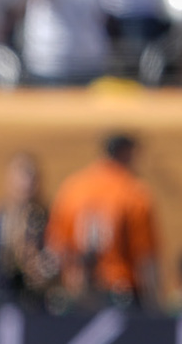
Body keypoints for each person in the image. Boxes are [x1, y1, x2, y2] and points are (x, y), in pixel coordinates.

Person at [47, 133, 160, 310]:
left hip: (79, 294)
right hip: (121, 292)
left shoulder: (72, 188)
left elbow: (58, 249)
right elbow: (145, 257)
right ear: (126, 153)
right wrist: (153, 304)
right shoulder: (134, 191)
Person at [0, 153, 57, 306]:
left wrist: (41, 268)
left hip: (41, 304)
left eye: (31, 179)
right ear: (9, 181)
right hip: (1, 301)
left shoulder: (51, 220)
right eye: (21, 178)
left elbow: (59, 260)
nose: (26, 185)